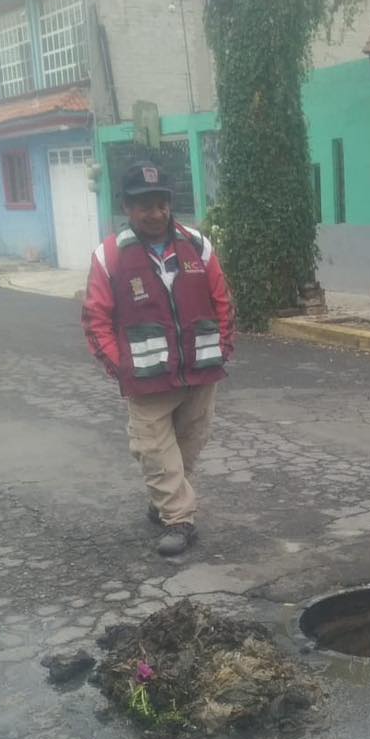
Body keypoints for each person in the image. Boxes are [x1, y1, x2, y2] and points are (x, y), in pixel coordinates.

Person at [82, 161, 234, 558]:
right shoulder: (110, 256)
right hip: (146, 379)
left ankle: (163, 498)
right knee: (154, 449)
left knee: (190, 445)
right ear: (127, 208)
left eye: (161, 203)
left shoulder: (198, 246)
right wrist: (121, 366)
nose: (155, 212)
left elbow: (222, 301)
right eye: (144, 205)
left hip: (199, 373)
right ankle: (179, 519)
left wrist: (223, 348)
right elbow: (96, 318)